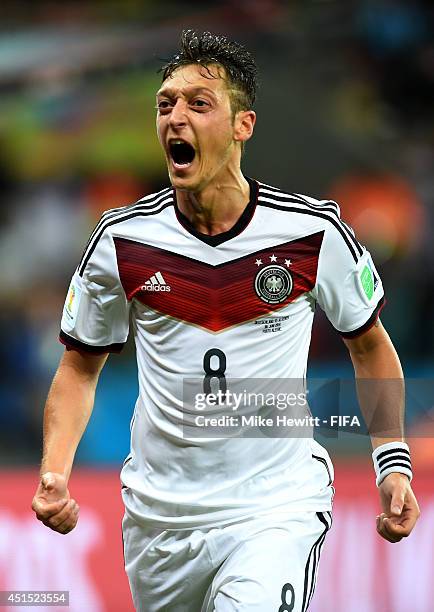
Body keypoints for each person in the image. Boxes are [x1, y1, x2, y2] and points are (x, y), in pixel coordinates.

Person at [32, 30, 420, 611]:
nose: (175, 118)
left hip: (273, 508)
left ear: (244, 126)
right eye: (165, 105)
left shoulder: (312, 234)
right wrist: (54, 471)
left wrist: (393, 463)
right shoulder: (122, 242)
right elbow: (79, 368)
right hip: (160, 523)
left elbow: (370, 348)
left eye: (198, 103)